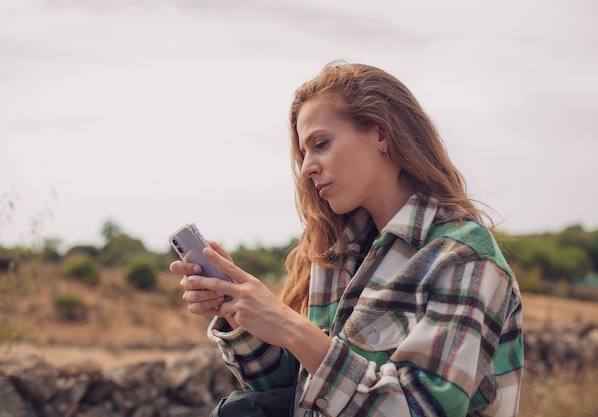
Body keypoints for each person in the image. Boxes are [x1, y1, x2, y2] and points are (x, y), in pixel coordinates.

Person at [170, 61, 524, 417]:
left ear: (382, 135)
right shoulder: (334, 256)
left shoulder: (463, 258)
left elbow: (423, 409)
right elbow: (304, 394)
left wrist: (290, 327)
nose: (307, 166)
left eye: (320, 143)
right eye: (304, 153)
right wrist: (239, 313)